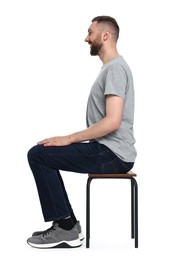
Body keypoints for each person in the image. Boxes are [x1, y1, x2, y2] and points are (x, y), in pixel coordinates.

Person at [27, 15, 137, 249]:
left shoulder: (115, 68)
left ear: (105, 35)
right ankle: (66, 225)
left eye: (90, 32)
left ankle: (66, 227)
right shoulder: (111, 68)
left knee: (38, 155)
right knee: (42, 153)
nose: (86, 38)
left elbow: (112, 122)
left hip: (112, 154)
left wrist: (67, 139)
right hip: (109, 151)